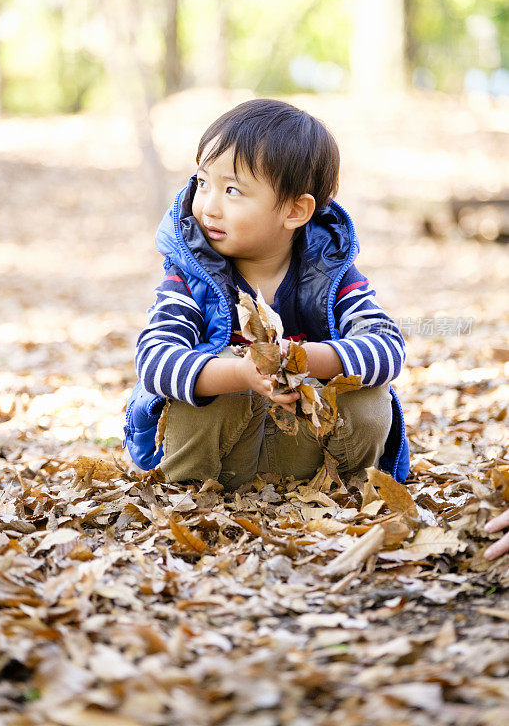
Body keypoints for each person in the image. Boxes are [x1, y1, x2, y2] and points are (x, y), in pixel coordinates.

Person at [123, 99, 410, 491]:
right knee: (214, 366)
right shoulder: (190, 276)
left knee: (370, 392)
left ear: (295, 211)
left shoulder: (330, 271)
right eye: (203, 183)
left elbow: (388, 347)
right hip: (221, 459)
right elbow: (153, 361)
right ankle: (191, 491)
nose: (209, 205)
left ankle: (347, 487)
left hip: (308, 450)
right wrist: (238, 373)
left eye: (233, 191)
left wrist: (304, 360)